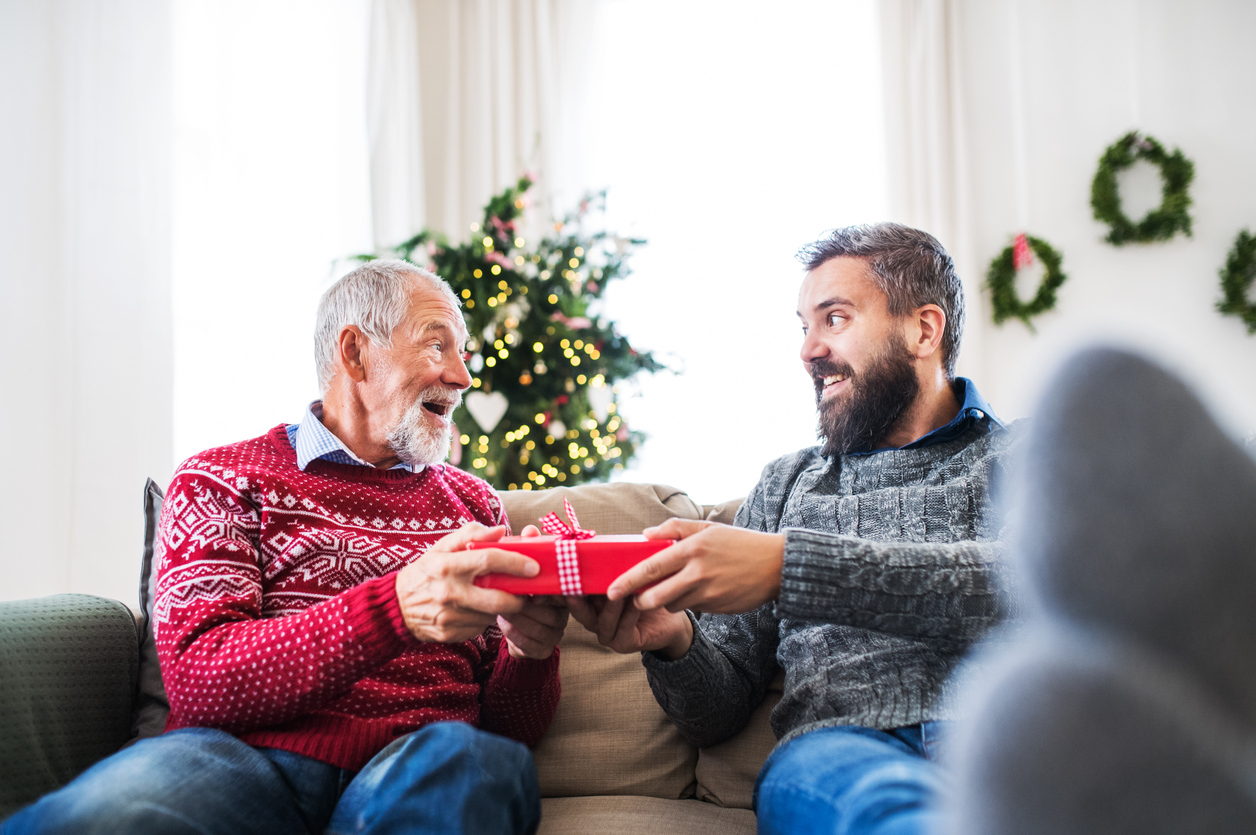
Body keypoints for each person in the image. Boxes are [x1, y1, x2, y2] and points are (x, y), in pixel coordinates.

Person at [3, 260, 567, 835]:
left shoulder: (473, 503)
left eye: (462, 351)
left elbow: (507, 731)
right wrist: (397, 606)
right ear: (355, 353)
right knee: (105, 818)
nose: (462, 375)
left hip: (420, 762)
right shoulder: (220, 478)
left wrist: (530, 654)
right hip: (239, 760)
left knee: (477, 765)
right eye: (436, 345)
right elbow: (200, 681)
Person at [570, 223, 1021, 835]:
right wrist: (673, 641)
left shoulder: (1024, 457)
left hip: (1012, 731)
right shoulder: (786, 484)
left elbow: (1036, 585)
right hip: (840, 753)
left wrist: (790, 567)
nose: (808, 349)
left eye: (834, 319)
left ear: (923, 330)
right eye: (804, 326)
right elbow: (716, 712)